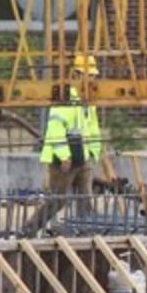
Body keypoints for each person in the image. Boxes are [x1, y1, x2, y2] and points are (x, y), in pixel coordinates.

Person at [38, 55, 103, 221]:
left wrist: (94, 151)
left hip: (82, 156)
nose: (93, 79)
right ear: (78, 75)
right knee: (57, 201)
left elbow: (92, 128)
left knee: (85, 200)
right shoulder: (65, 97)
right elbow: (55, 129)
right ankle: (29, 230)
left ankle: (87, 231)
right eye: (90, 76)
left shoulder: (89, 100)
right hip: (63, 161)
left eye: (94, 76)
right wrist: (64, 155)